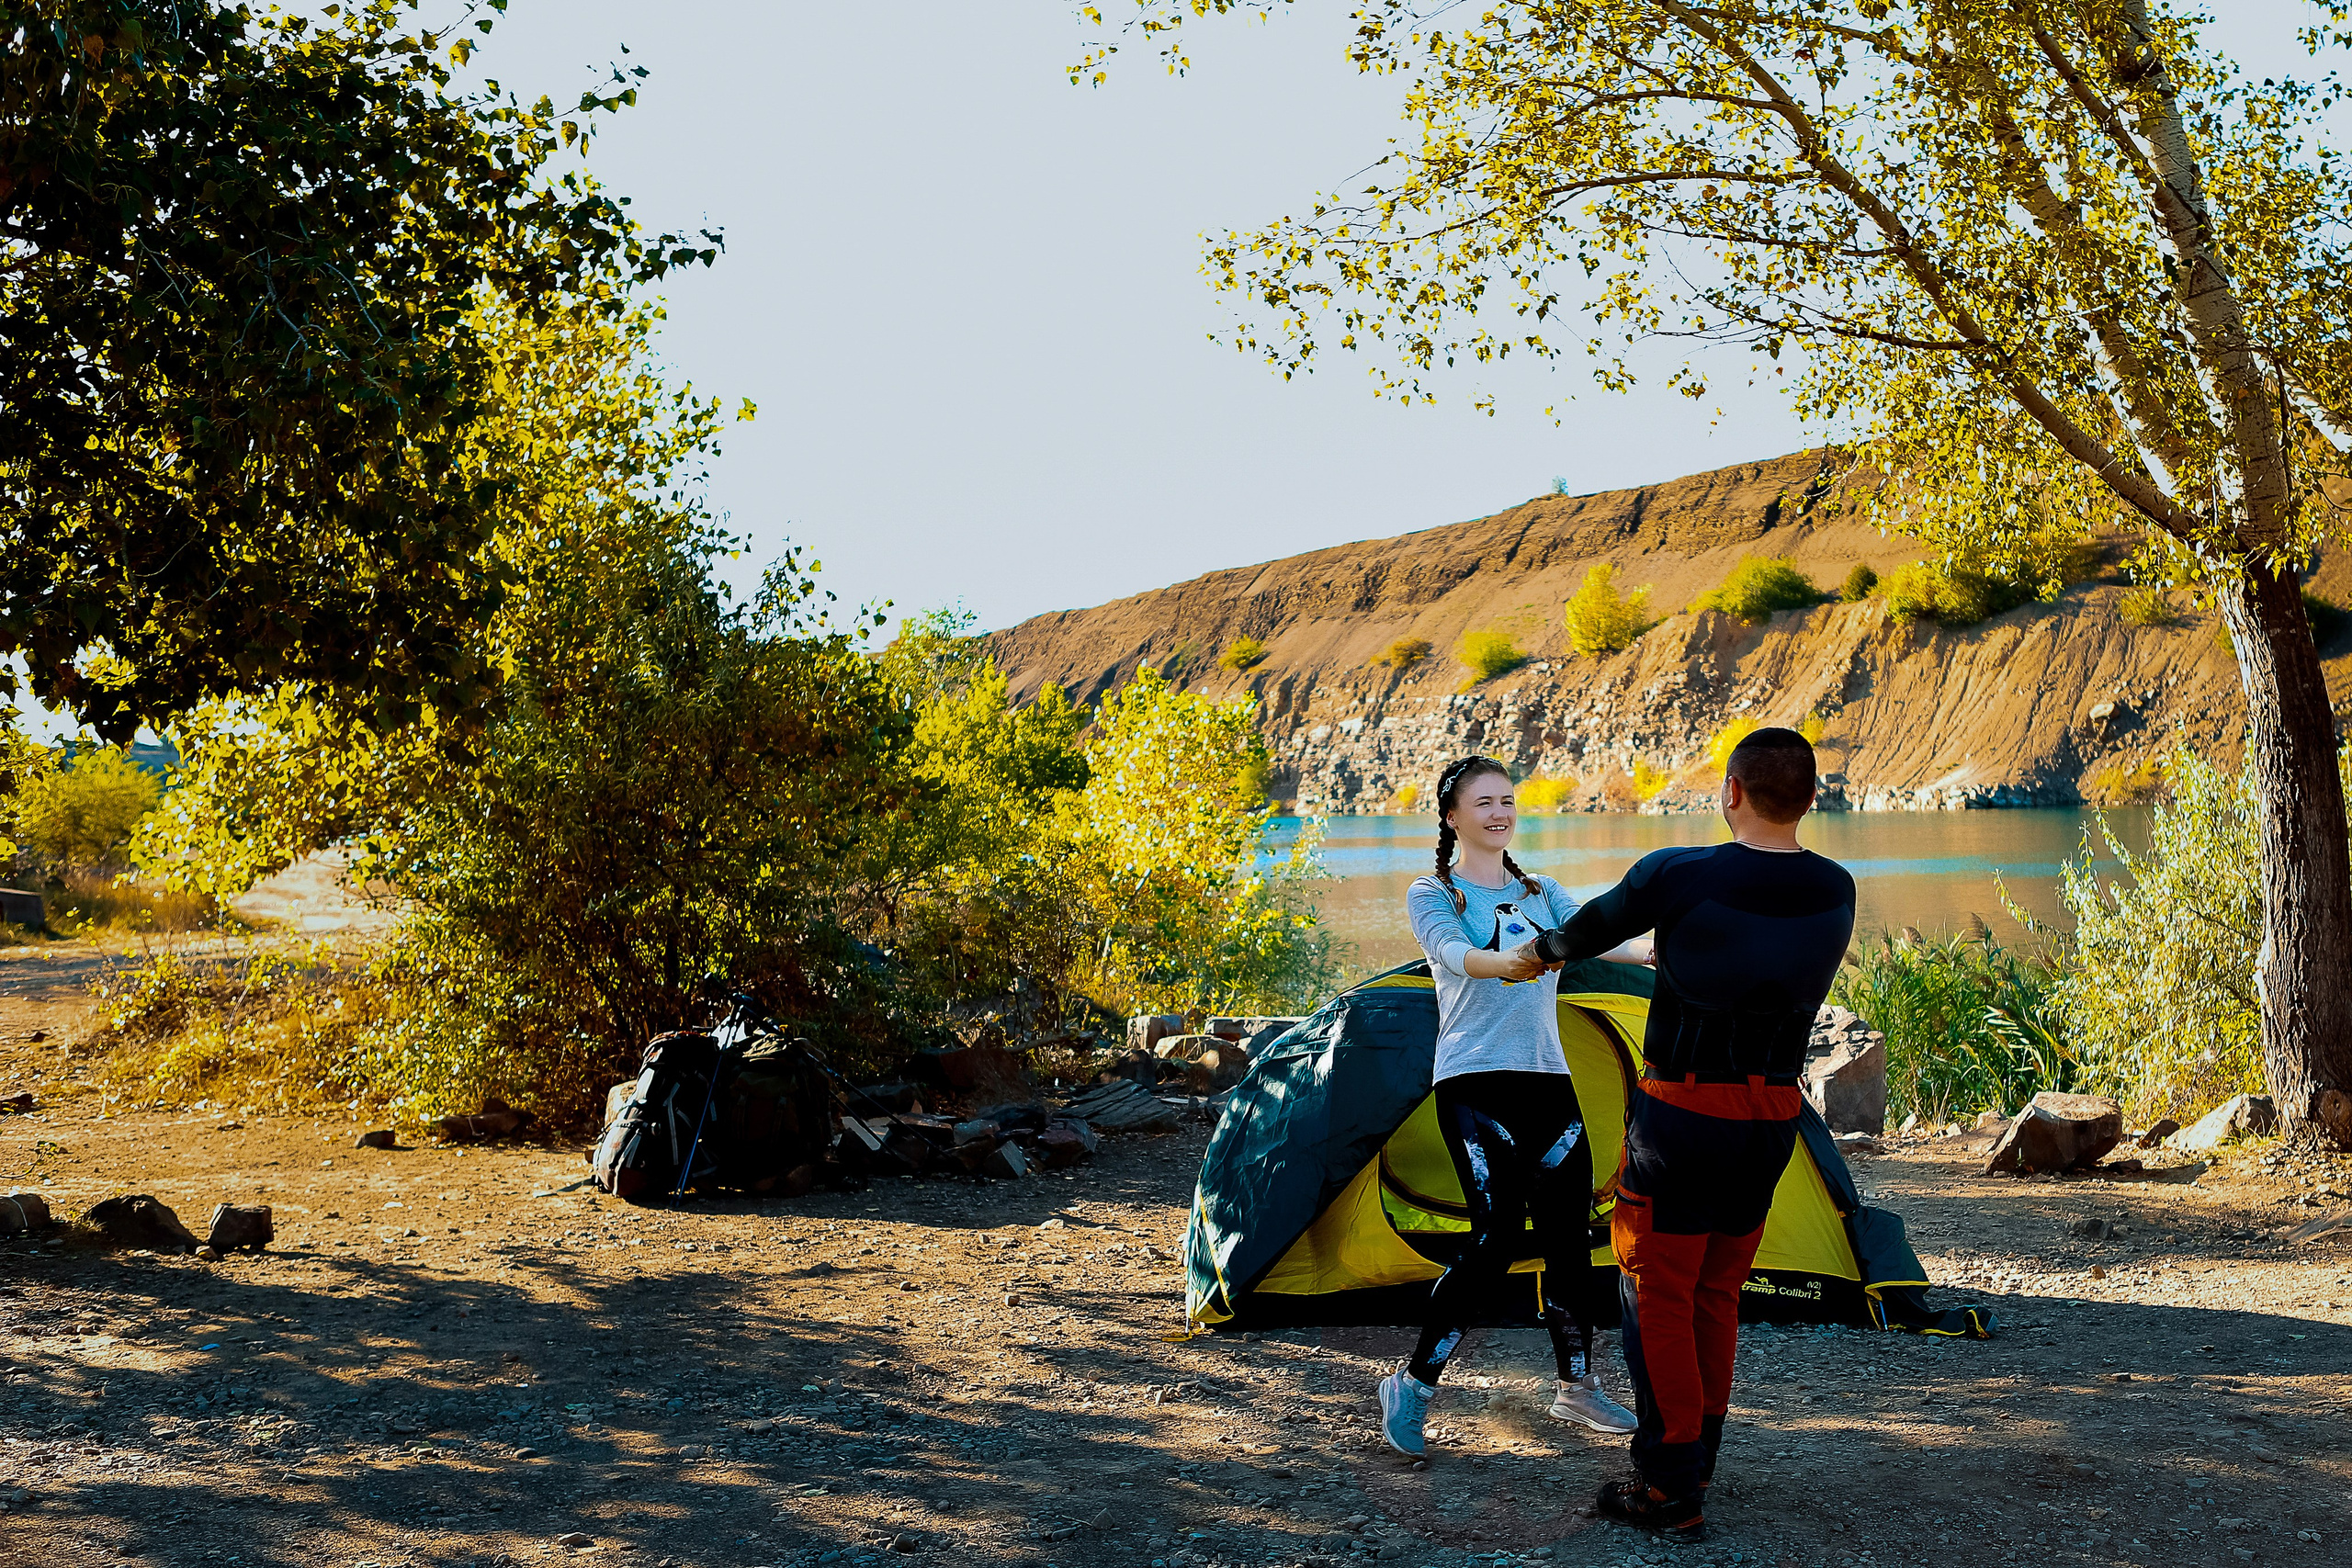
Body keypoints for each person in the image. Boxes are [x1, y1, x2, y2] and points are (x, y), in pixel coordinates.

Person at [1530, 727, 1855, 1543]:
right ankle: (1694, 1461)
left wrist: (1533, 954)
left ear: (1731, 792)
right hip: (1773, 1119)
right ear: (1810, 798)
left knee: (1658, 1290)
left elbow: (1584, 931)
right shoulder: (1836, 888)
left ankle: (1668, 1486)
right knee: (1715, 1290)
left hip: (1682, 1116)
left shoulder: (1679, 872)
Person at [1376, 754, 1650, 1458]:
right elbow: (1455, 955)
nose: (1499, 812)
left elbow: (1593, 938)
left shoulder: (1541, 890)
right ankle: (1412, 1384)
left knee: (1568, 1237)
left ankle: (1577, 1386)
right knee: (1494, 1239)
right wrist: (1513, 961)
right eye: (1484, 802)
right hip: (1475, 1083)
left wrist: (1653, 951)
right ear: (1452, 816)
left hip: (1547, 1080)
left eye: (1507, 800)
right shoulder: (1433, 892)